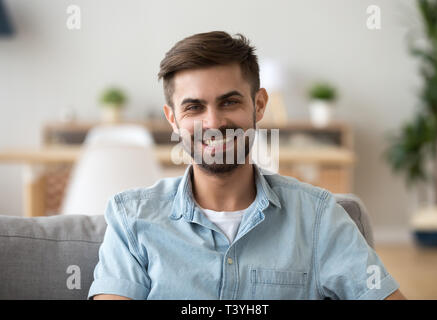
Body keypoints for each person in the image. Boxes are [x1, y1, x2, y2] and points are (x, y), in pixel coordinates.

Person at [88, 31, 406, 300]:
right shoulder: (130, 218)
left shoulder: (318, 217)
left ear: (259, 105)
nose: (213, 122)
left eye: (229, 102)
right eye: (194, 107)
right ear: (173, 119)